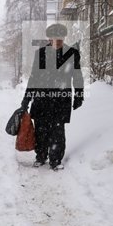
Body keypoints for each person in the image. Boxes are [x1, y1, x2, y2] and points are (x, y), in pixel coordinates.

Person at [20, 23, 84, 171]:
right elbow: (33, 78)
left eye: (60, 38)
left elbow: (78, 76)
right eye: (54, 38)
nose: (57, 41)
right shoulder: (41, 54)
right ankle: (41, 156)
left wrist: (79, 96)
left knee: (58, 132)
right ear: (49, 38)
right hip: (42, 100)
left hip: (61, 101)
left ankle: (55, 160)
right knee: (41, 130)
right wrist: (26, 100)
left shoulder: (72, 53)